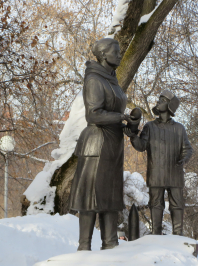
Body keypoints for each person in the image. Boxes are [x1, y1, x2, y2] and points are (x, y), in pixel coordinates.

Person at [68, 38, 138, 251]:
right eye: (116, 52)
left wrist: (130, 124)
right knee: (91, 198)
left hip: (112, 146)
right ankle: (84, 247)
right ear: (104, 55)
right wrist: (121, 117)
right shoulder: (94, 80)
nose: (119, 55)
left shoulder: (112, 80)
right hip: (96, 146)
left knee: (110, 197)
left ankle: (110, 245)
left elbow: (116, 115)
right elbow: (94, 114)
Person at [123, 90, 193, 236]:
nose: (158, 102)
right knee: (156, 204)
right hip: (156, 174)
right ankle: (156, 235)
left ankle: (178, 235)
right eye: (159, 99)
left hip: (175, 173)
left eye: (162, 100)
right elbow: (141, 146)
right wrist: (133, 136)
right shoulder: (150, 126)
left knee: (177, 205)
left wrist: (183, 159)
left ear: (169, 105)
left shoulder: (179, 128)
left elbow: (187, 149)